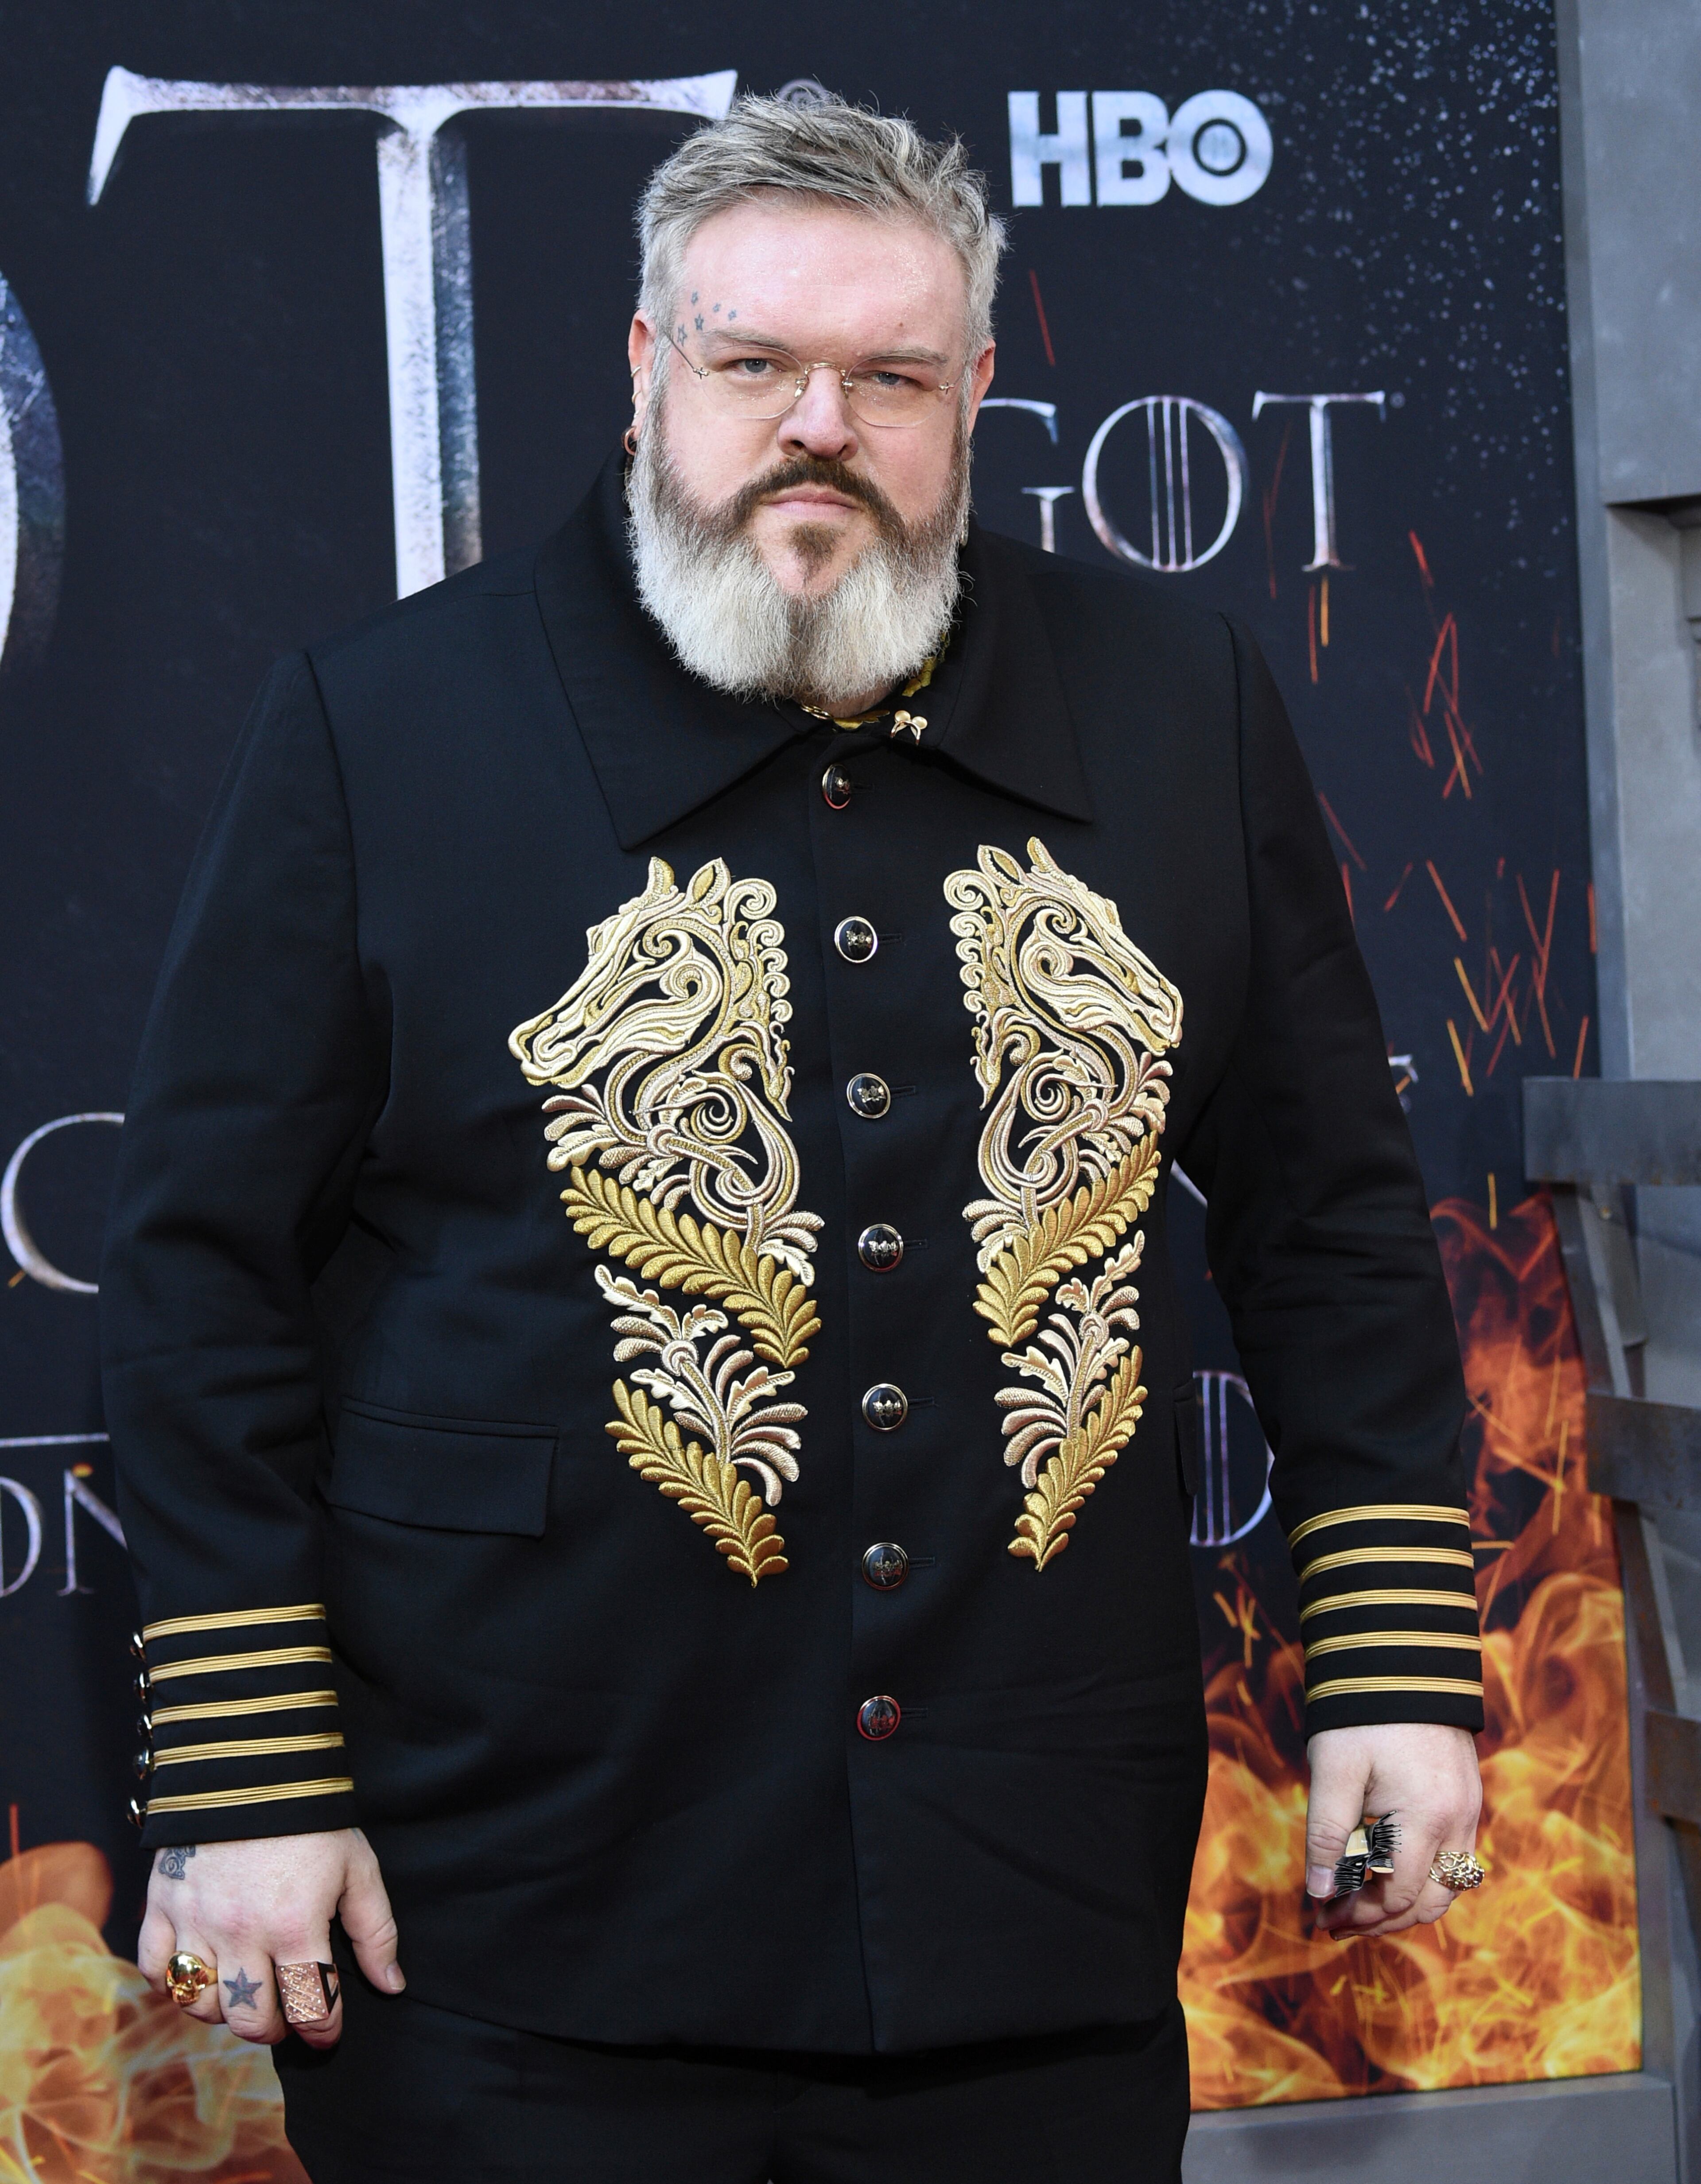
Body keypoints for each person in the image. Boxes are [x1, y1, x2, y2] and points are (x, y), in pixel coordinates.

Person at [101, 94, 1484, 2184]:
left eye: (888, 377)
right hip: (509, 1920)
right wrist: (250, 1775)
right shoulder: (380, 731)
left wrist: (1393, 1656)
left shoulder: (1175, 700)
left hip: (1030, 1904)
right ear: (651, 365)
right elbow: (200, 1278)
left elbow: (1331, 1219)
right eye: (755, 365)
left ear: (976, 394)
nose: (817, 424)